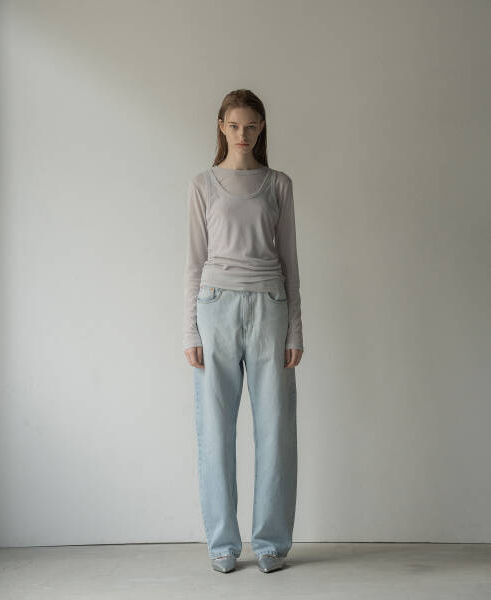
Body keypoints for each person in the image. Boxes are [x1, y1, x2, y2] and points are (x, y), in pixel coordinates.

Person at [182, 89, 304, 574]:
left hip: (270, 306)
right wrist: (190, 331)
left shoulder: (278, 184)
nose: (242, 134)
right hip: (215, 306)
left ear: (261, 128)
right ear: (221, 127)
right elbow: (193, 262)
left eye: (251, 126)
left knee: (276, 429)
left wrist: (295, 330)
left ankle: (271, 542)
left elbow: (290, 261)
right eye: (234, 125)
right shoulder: (202, 184)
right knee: (215, 430)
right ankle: (223, 544)